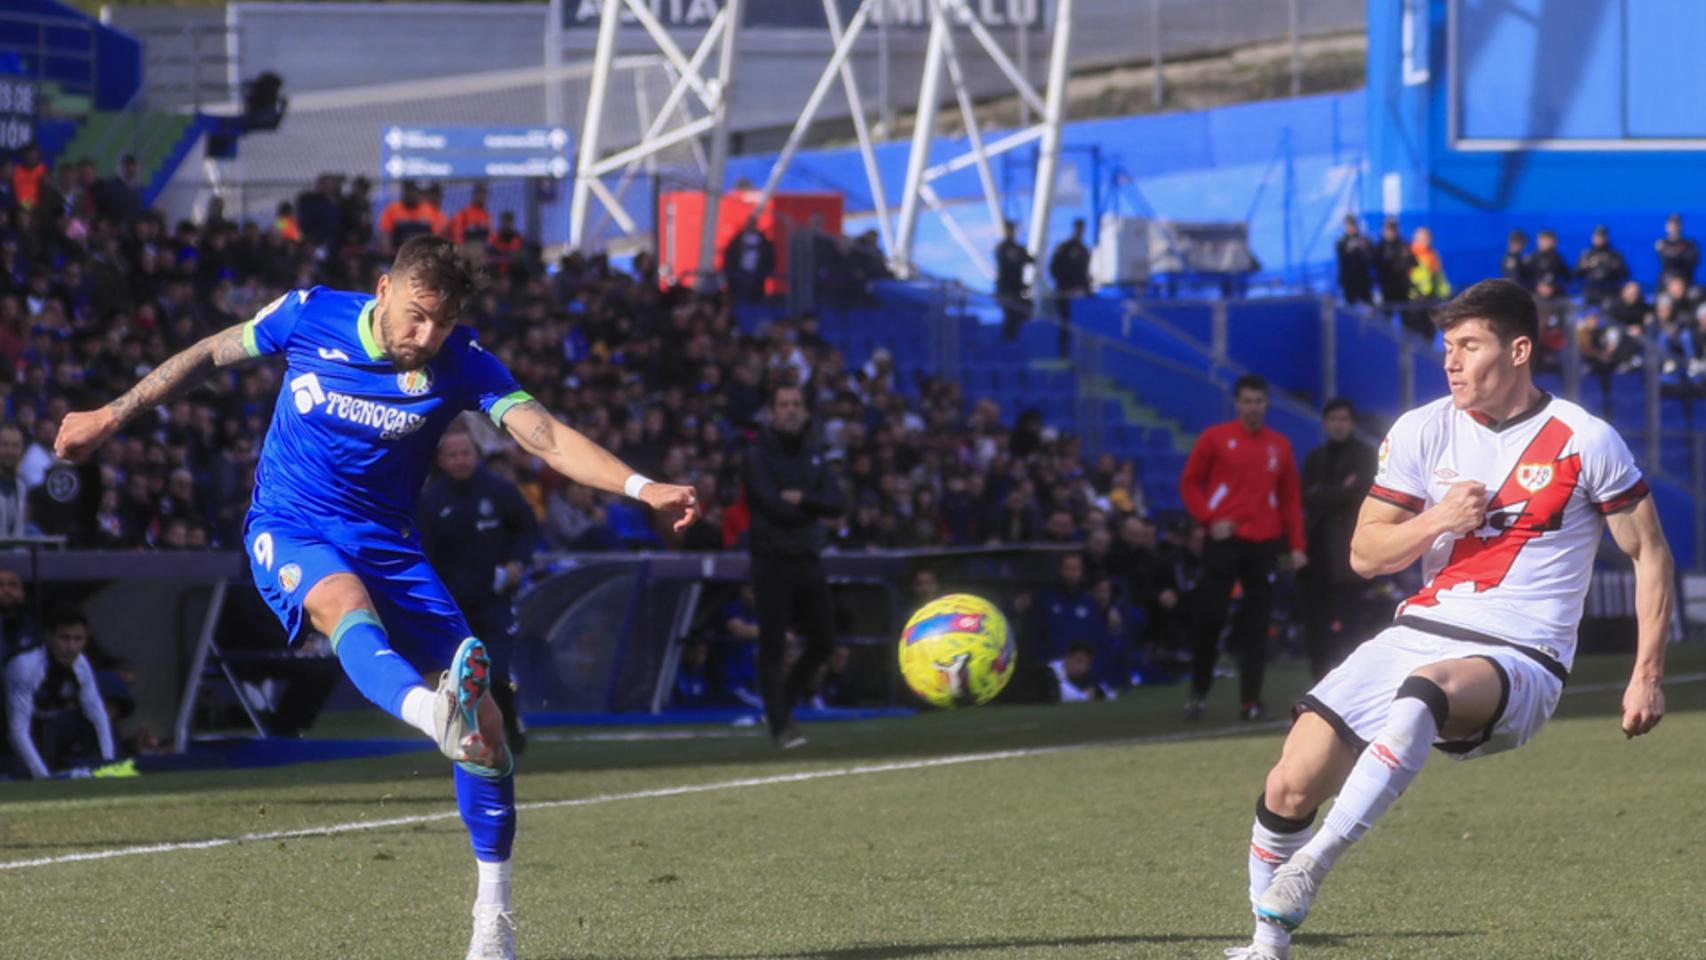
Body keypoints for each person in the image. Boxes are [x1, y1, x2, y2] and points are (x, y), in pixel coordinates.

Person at [53, 235, 700, 959]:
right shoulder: (307, 314)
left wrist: (645, 487)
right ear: (384, 287)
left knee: (485, 730)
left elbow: (544, 436)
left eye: (444, 324)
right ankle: (431, 714)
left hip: (389, 544)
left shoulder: (461, 363)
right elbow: (209, 353)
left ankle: (493, 924)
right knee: (343, 606)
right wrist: (111, 415)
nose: (427, 337)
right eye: (419, 316)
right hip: (291, 525)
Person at [1226, 279, 1671, 960]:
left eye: (1468, 345)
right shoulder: (1422, 429)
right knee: (1291, 777)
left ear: (1519, 349)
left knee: (1422, 694)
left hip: (1522, 655)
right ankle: (1266, 946)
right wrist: (1436, 519)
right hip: (1419, 629)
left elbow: (1650, 554)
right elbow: (1364, 553)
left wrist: (1646, 675)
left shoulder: (1586, 440)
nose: (1451, 361)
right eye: (1446, 347)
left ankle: (1312, 867)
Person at [1178, 373, 1306, 722]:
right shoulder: (1215, 439)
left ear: (1266, 404)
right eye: (1247, 401)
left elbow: (1290, 498)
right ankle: (1199, 692)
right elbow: (1189, 483)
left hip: (1264, 544)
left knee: (1258, 624)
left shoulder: (1279, 446)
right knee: (1210, 618)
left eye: (1258, 401)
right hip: (1224, 542)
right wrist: (1207, 519)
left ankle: (1250, 701)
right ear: (1237, 404)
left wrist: (1297, 545)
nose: (1252, 408)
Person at [417, 429, 540, 753]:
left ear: (476, 455)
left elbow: (527, 529)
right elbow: (423, 553)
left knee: (497, 671)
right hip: (453, 604)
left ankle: (512, 724)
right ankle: (471, 737)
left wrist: (518, 562)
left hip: (495, 598)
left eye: (465, 453)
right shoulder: (431, 501)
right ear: (441, 461)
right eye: (452, 455)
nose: (460, 460)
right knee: (460, 677)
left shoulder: (500, 491)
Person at [743, 384, 845, 749]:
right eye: (783, 404)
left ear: (805, 410)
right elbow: (772, 506)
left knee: (824, 641)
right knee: (772, 644)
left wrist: (803, 498)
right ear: (771, 412)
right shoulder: (756, 454)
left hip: (808, 556)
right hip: (771, 559)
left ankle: (780, 705)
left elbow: (837, 502)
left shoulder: (813, 452)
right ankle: (779, 725)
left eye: (796, 404)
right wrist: (811, 506)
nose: (790, 410)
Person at [1298, 398, 1376, 680]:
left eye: (1343, 419)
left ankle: (1353, 681)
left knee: (1353, 621)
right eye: (1333, 419)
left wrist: (1325, 493)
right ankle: (1319, 680)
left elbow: (1359, 493)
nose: (1338, 425)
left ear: (1352, 422)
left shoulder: (1364, 454)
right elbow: (1306, 495)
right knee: (1317, 622)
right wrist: (1337, 492)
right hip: (1317, 551)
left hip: (1349, 551)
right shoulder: (1315, 457)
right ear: (1325, 423)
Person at [4, 608, 116, 779]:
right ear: (49, 637)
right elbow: (17, 730)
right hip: (9, 731)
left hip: (46, 725)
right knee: (20, 771)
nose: (71, 648)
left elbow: (97, 714)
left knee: (86, 723)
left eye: (78, 639)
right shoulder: (25, 667)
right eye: (64, 638)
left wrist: (109, 764)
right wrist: (43, 777)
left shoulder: (81, 664)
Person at [1048, 219, 1092, 356]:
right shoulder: (1064, 248)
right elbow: (1054, 270)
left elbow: (1084, 273)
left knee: (1080, 324)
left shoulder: (1084, 250)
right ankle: (1063, 353)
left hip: (1079, 294)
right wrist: (1066, 287)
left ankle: (1080, 353)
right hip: (1064, 293)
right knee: (1065, 324)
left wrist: (1084, 288)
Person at [995, 220, 1034, 341]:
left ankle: (1014, 342)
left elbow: (1031, 260)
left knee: (1021, 315)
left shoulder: (1018, 248)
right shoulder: (1002, 248)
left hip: (1017, 290)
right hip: (1006, 290)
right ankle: (1008, 344)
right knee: (1010, 317)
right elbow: (1008, 260)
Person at [722, 217, 774, 304]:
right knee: (739, 298)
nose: (751, 226)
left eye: (753, 224)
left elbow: (769, 258)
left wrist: (766, 272)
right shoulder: (737, 241)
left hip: (757, 275)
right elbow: (730, 257)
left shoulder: (764, 242)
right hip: (739, 274)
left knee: (754, 299)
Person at [1575, 224, 1628, 307]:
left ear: (1607, 238)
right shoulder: (1586, 254)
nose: (1599, 239)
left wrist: (1614, 266)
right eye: (1597, 236)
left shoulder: (1614, 255)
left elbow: (1625, 274)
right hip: (1591, 291)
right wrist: (1583, 266)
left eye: (1602, 237)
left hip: (1610, 292)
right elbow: (1575, 274)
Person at [1334, 215, 1375, 306]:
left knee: (1368, 306)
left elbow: (1370, 257)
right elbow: (1343, 258)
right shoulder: (1341, 242)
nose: (1351, 227)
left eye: (1353, 224)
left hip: (1363, 281)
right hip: (1349, 281)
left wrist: (1363, 248)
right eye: (1349, 225)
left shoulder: (1364, 240)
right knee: (1349, 308)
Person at [1655, 213, 1697, 286]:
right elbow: (1667, 260)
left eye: (1676, 224)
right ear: (1666, 227)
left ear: (1681, 226)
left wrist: (1671, 252)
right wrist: (1678, 253)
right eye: (1671, 225)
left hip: (1685, 281)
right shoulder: (1661, 243)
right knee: (1663, 297)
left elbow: (1691, 261)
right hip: (1666, 282)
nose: (1673, 227)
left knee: (1696, 294)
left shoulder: (1690, 244)